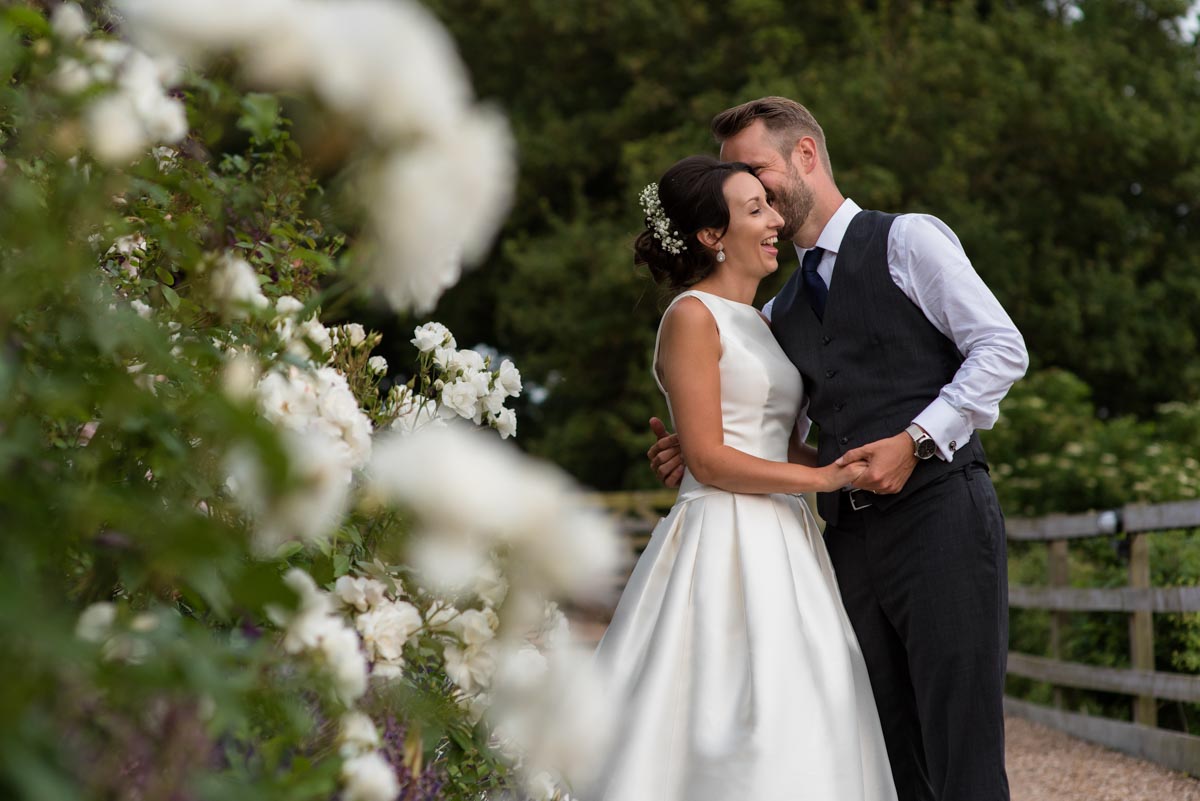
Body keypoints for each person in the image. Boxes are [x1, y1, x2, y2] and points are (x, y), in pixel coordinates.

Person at [647, 98, 1029, 801]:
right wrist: (697, 442)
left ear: (807, 157)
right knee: (883, 749)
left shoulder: (907, 241)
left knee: (962, 747)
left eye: (756, 172)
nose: (753, 195)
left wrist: (917, 440)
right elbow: (760, 409)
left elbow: (1001, 349)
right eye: (739, 187)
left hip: (940, 517)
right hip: (842, 541)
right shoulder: (774, 311)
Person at [582, 154, 898, 801]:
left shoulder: (763, 321)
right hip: (723, 537)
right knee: (719, 713)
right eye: (756, 209)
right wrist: (828, 480)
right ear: (710, 235)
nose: (776, 219)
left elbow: (782, 446)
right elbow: (707, 458)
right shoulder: (691, 316)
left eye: (769, 205)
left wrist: (855, 465)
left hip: (785, 534)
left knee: (810, 701)